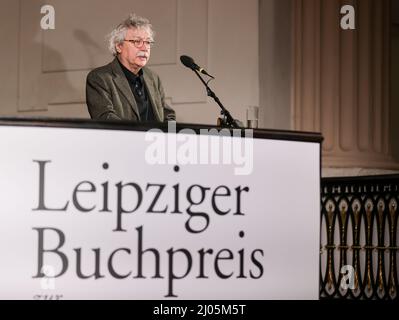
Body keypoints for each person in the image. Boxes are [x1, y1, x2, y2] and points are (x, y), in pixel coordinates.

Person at [86, 14, 175, 122]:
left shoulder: (153, 78)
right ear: (119, 46)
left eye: (147, 42)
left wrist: (171, 137)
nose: (145, 48)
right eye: (137, 42)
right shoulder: (100, 78)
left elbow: (168, 117)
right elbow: (106, 119)